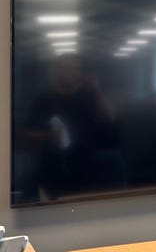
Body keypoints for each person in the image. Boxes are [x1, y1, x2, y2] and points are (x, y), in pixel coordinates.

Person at [24, 53, 115, 200]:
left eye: (76, 68)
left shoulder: (87, 96)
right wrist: (48, 135)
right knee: (56, 213)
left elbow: (110, 117)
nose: (72, 72)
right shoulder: (43, 99)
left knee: (86, 211)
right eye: (67, 68)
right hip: (54, 172)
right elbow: (28, 133)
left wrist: (96, 90)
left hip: (86, 170)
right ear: (56, 71)